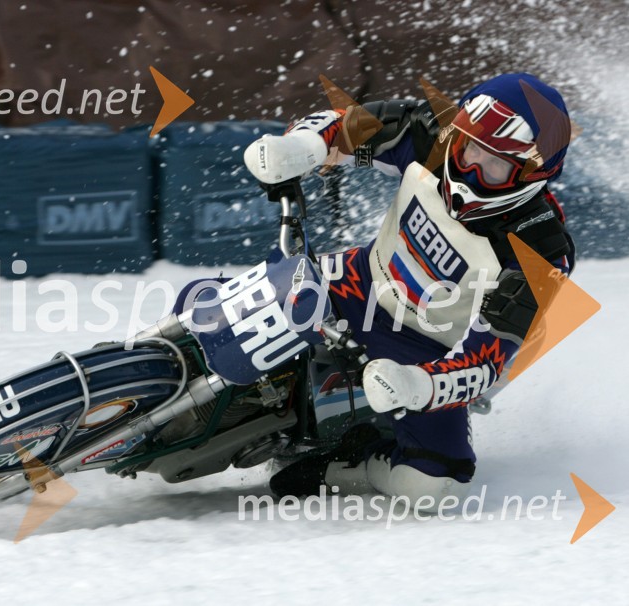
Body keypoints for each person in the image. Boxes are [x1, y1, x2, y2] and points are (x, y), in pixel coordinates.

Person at [242, 73, 575, 512]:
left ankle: (349, 467)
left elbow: (486, 362)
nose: (470, 167)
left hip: (425, 347)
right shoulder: (435, 136)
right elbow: (350, 132)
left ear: (532, 176)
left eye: (494, 164)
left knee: (437, 484)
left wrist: (419, 386)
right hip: (357, 280)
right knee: (237, 297)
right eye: (468, 147)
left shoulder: (541, 250)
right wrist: (300, 149)